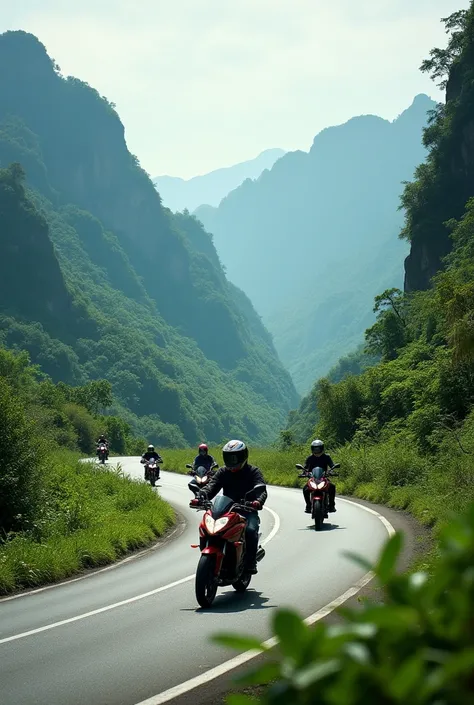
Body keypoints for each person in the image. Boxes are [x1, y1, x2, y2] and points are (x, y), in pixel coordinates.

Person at [190, 439, 267, 574]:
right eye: (229, 457)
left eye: (235, 457)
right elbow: (211, 486)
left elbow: (261, 490)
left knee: (250, 530)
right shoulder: (223, 472)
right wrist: (200, 496)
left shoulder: (253, 472)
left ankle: (250, 562)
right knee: (206, 527)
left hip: (247, 510)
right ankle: (212, 555)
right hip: (225, 510)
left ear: (243, 456)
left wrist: (258, 501)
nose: (232, 461)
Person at [302, 439, 337, 513]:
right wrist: (304, 472)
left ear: (322, 448)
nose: (316, 450)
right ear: (312, 449)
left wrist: (332, 471)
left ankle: (331, 505)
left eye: (318, 448)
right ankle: (308, 505)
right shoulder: (310, 458)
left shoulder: (326, 457)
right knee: (305, 489)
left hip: (323, 478)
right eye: (315, 448)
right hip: (313, 478)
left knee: (332, 487)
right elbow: (305, 467)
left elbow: (332, 465)